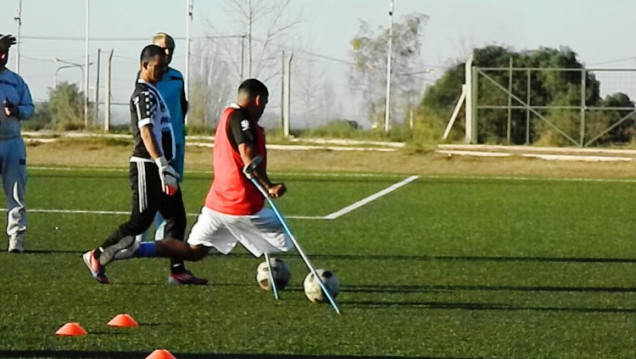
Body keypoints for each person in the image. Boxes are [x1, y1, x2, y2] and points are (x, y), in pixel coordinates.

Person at [100, 79, 292, 272]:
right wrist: (268, 185)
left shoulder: (227, 115)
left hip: (217, 205)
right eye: (264, 104)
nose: (263, 110)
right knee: (288, 234)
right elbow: (247, 154)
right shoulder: (242, 118)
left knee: (194, 251)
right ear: (258, 100)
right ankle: (317, 282)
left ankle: (136, 249)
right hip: (240, 204)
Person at [82, 44, 206, 285]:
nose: (161, 71)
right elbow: (146, 131)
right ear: (144, 65)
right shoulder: (143, 94)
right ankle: (96, 254)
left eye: (164, 67)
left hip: (162, 167)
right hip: (147, 165)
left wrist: (166, 165)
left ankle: (177, 270)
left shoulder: (153, 91)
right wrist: (161, 163)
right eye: (157, 67)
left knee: (177, 217)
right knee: (141, 219)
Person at [137, 32, 188, 242]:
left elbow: (183, 105)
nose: (167, 53)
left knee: (171, 190)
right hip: (154, 146)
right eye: (163, 48)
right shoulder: (146, 78)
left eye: (170, 49)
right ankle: (139, 237)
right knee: (152, 191)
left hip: (175, 143)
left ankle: (164, 237)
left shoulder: (177, 77)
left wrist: (179, 129)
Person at [0, 34, 34, 253]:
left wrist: (17, 111)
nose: (3, 56)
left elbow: (30, 109)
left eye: (6, 52)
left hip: (12, 143)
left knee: (16, 193)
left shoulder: (16, 80)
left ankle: (16, 239)